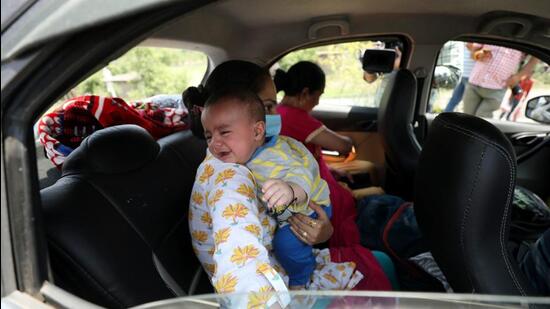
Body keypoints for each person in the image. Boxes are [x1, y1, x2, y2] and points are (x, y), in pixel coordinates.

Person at [199, 87, 333, 289]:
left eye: (224, 133)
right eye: (209, 136)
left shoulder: (274, 156)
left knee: (285, 243)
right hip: (292, 213)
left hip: (309, 208)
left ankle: (301, 279)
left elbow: (300, 175)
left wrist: (290, 189)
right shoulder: (231, 171)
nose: (214, 144)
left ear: (257, 131)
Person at [462, 43, 539, 118]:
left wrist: (518, 76)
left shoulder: (523, 39)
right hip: (474, 83)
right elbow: (472, 49)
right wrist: (477, 54)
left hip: (497, 88)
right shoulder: (492, 31)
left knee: (481, 117)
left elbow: (535, 58)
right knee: (467, 117)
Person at [443, 42, 476, 112]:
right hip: (470, 75)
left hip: (464, 73)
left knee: (454, 100)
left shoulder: (463, 42)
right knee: (469, 105)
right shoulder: (477, 45)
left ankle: (445, 116)